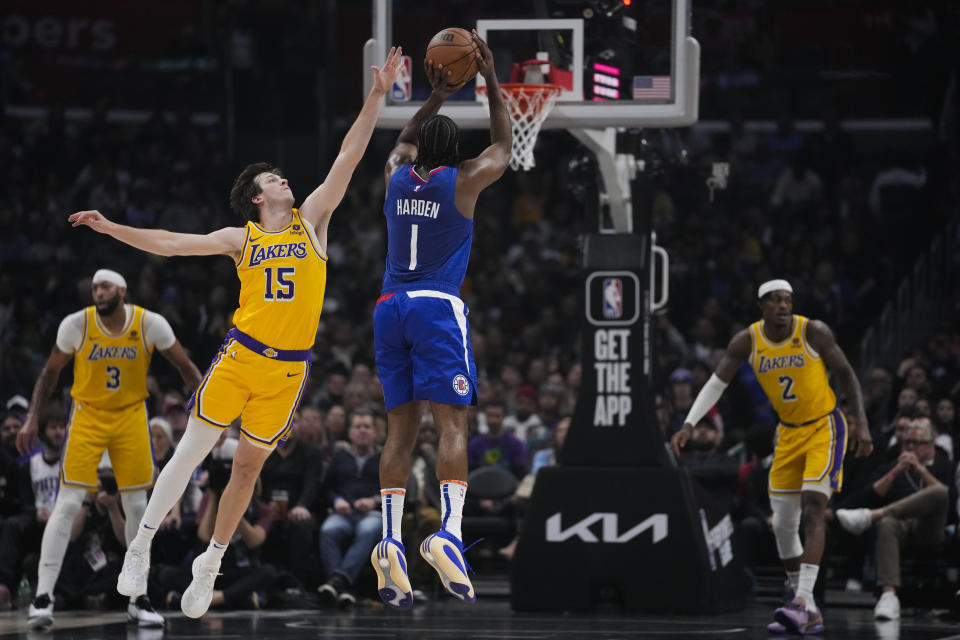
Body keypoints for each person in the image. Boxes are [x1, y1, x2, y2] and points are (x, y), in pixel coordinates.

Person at [67, 48, 404, 619]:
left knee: (248, 468)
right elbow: (172, 242)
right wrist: (110, 229)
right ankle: (142, 545)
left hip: (289, 370)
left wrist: (377, 95)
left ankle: (212, 563)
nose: (286, 180)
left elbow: (348, 155)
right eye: (275, 178)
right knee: (190, 455)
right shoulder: (241, 238)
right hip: (240, 357)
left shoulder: (313, 220)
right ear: (257, 196)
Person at [370, 30, 511, 610]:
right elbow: (505, 142)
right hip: (435, 307)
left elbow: (405, 137)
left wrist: (438, 93)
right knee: (452, 429)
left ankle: (389, 541)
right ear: (456, 155)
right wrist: (491, 78)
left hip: (387, 309)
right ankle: (448, 534)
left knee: (399, 433)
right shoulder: (466, 180)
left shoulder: (397, 173)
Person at [671, 279, 872, 635]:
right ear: (762, 304)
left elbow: (845, 373)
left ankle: (800, 601)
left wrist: (861, 421)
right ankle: (807, 608)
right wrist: (689, 424)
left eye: (788, 300)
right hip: (788, 433)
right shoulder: (746, 341)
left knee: (813, 507)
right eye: (776, 300)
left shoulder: (813, 332)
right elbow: (717, 384)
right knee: (782, 526)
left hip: (825, 427)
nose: (783, 306)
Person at [15, 269, 202, 629]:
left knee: (136, 506)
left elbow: (186, 368)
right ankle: (42, 597)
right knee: (68, 502)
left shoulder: (150, 323)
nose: (98, 292)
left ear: (122, 291)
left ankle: (139, 598)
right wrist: (33, 416)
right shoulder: (77, 324)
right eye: (95, 287)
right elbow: (50, 374)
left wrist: (211, 415)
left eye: (105, 287)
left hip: (131, 416)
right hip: (87, 416)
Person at [834, 421, 952, 620]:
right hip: (898, 525)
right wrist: (896, 472)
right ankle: (889, 595)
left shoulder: (944, 465)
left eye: (916, 443)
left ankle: (872, 516)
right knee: (887, 523)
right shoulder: (888, 467)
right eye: (906, 442)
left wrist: (920, 470)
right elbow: (870, 496)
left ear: (931, 444)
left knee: (939, 492)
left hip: (930, 526)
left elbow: (949, 498)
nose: (910, 447)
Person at [316, 408, 381, 606]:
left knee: (367, 530)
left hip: (372, 512)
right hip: (344, 512)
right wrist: (336, 501)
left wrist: (374, 500)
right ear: (350, 433)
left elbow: (396, 490)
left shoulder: (385, 457)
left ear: (375, 432)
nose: (362, 431)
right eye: (358, 427)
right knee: (328, 530)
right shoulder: (340, 457)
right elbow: (326, 489)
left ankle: (338, 582)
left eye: (367, 427)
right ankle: (344, 589)